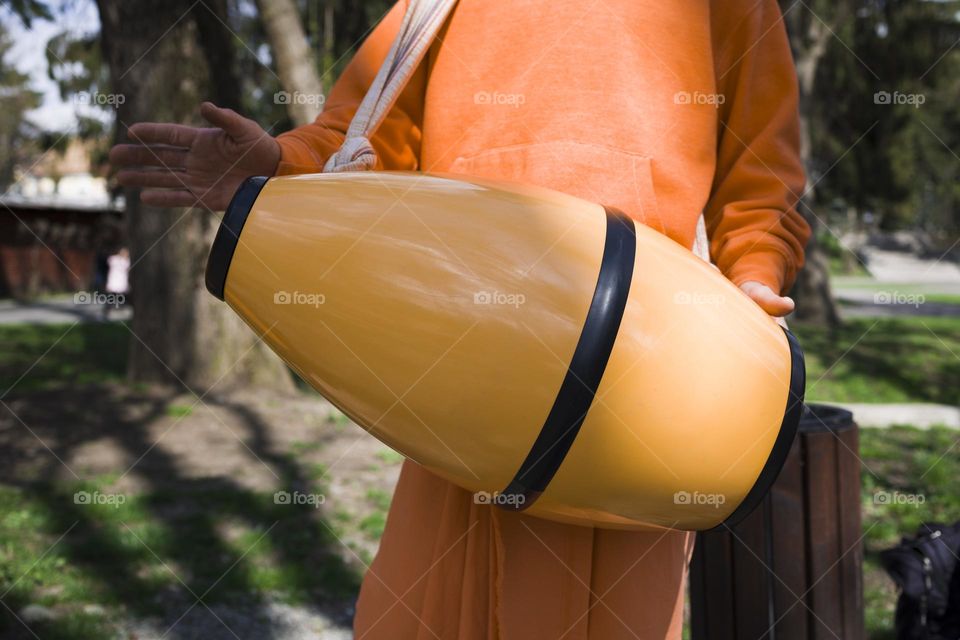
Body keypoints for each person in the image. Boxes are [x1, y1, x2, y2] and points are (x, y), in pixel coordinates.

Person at [110, 1, 811, 637]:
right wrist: (273, 168)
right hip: (458, 371)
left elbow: (761, 185)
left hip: (641, 385)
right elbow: (361, 142)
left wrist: (752, 288)